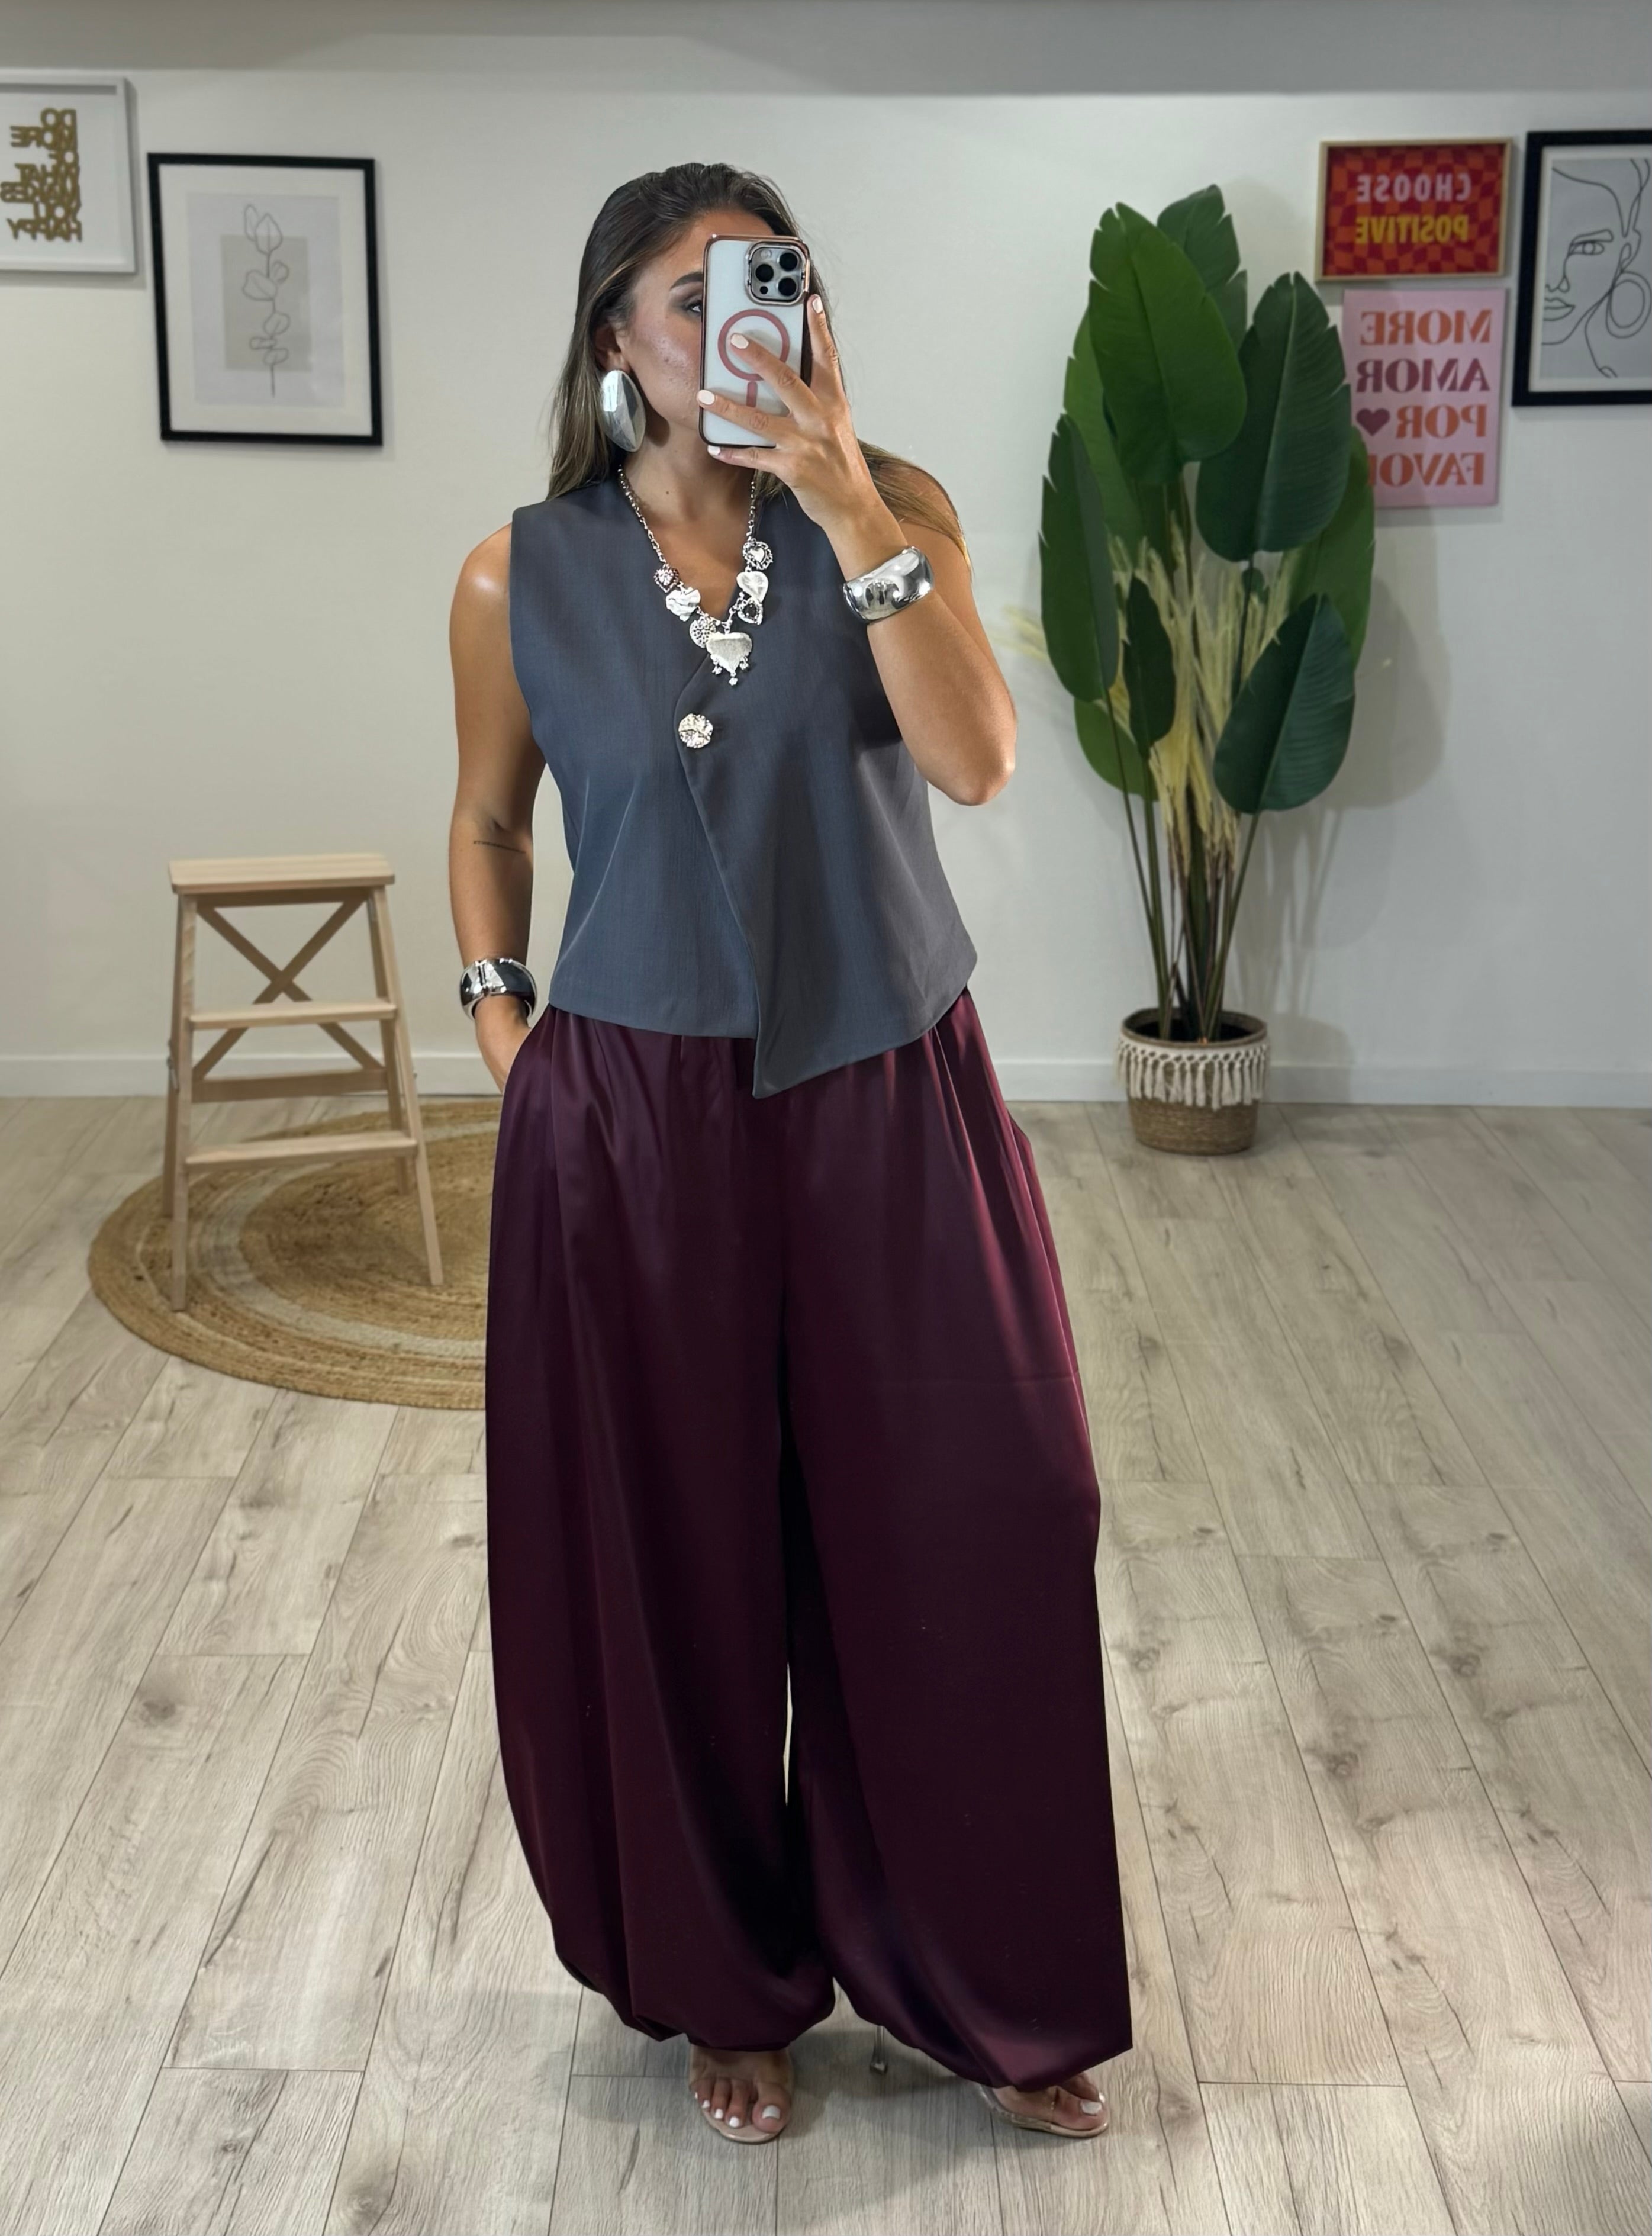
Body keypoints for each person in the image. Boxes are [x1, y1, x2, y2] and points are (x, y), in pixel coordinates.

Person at [447, 162, 1132, 2147]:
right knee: (675, 1561)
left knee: (992, 1509)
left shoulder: (891, 509)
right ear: (615, 339)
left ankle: (984, 1975)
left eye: (781, 280)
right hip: (632, 1117)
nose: (751, 317)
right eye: (697, 295)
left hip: (889, 1082)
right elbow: (487, 818)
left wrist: (844, 503)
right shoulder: (514, 574)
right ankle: (721, 1982)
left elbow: (978, 760)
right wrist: (508, 1033)